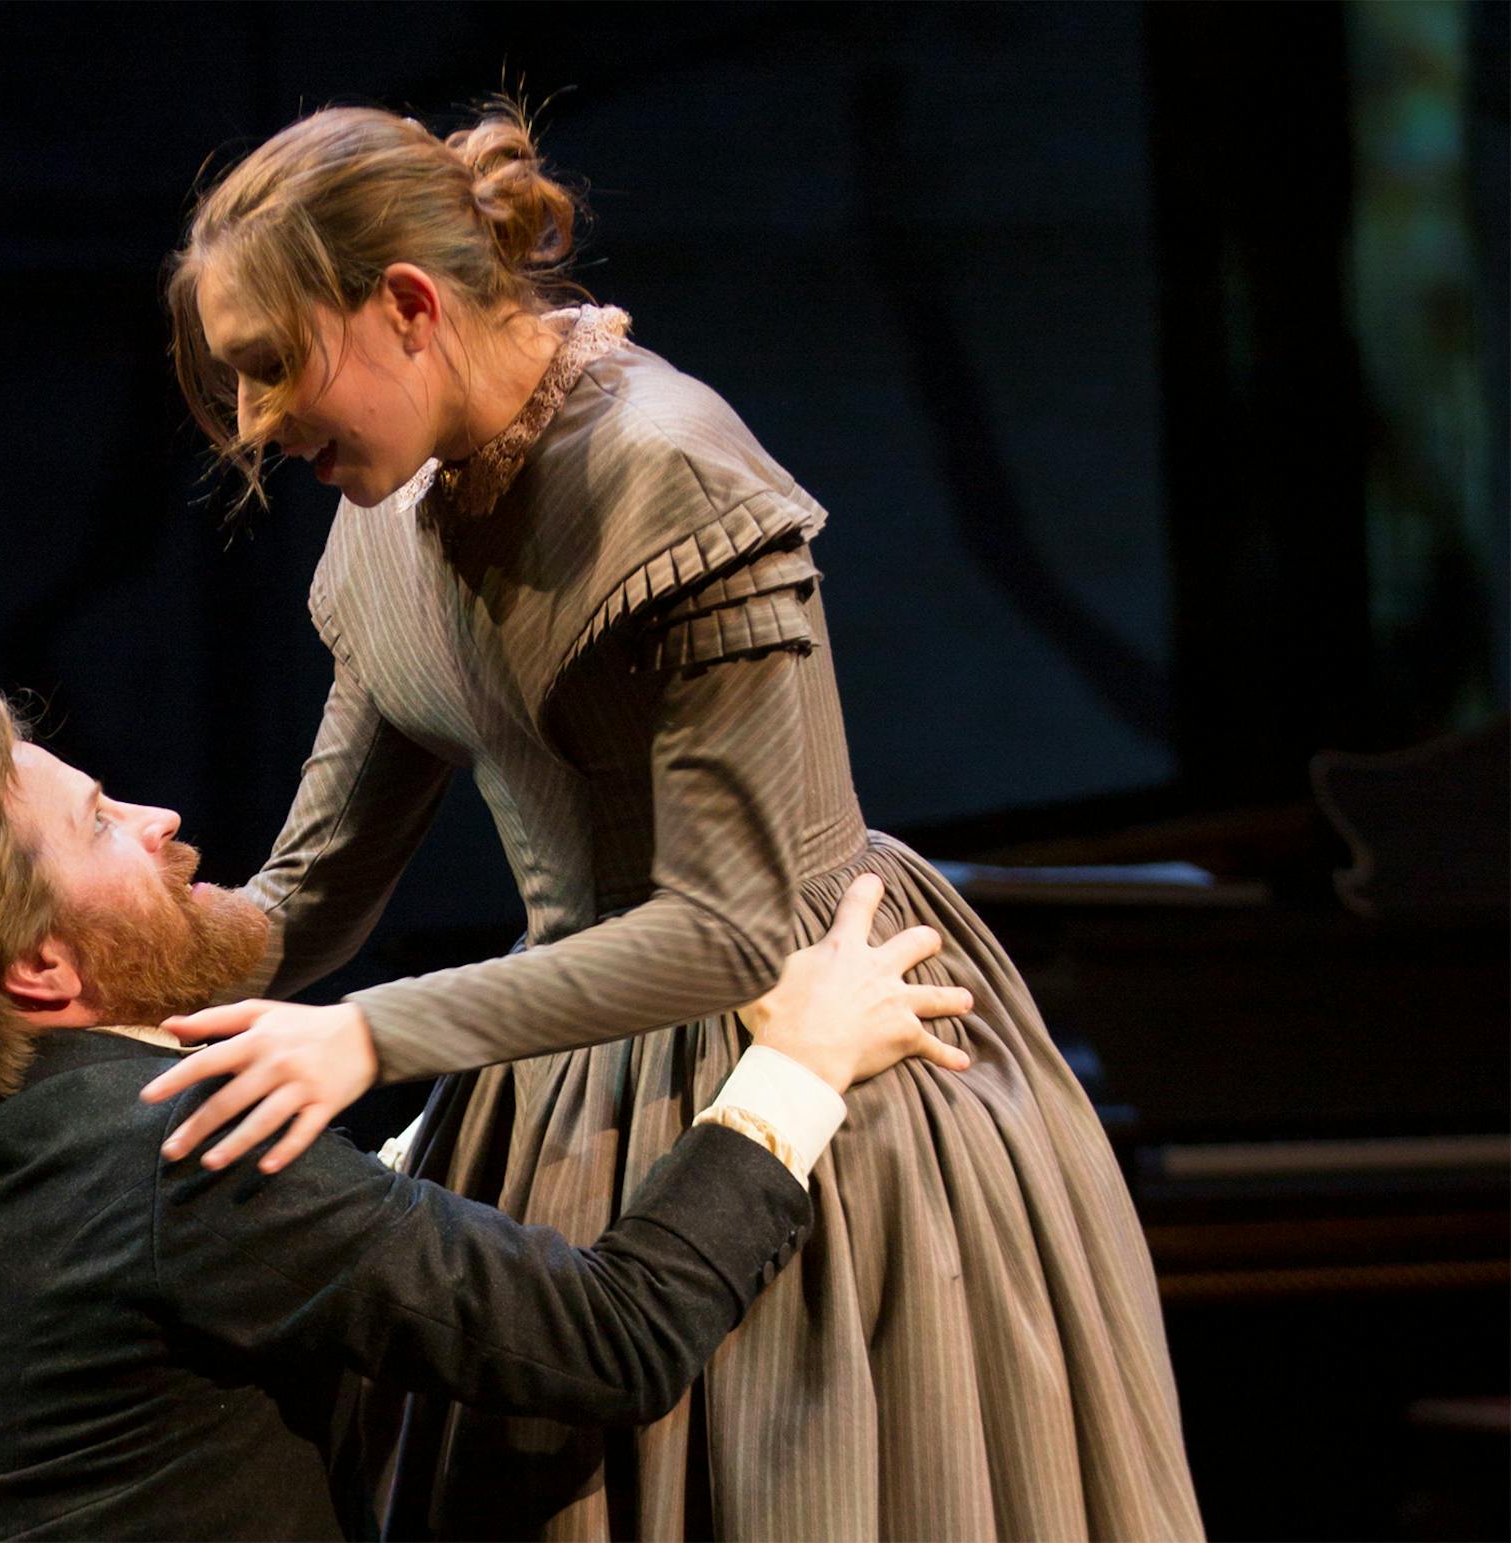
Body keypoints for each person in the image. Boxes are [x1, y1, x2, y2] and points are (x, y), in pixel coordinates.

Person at [146, 103, 1206, 1540]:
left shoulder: (669, 470)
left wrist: (374, 1033)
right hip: (563, 1070)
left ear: (405, 306)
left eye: (274, 367)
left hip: (817, 1045)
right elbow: (303, 896)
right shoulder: (393, 512)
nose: (260, 423)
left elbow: (730, 925)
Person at [0, 695, 972, 1541]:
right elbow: (615, 1336)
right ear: (43, 970)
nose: (159, 817)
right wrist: (803, 1061)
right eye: (101, 821)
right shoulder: (181, 1151)